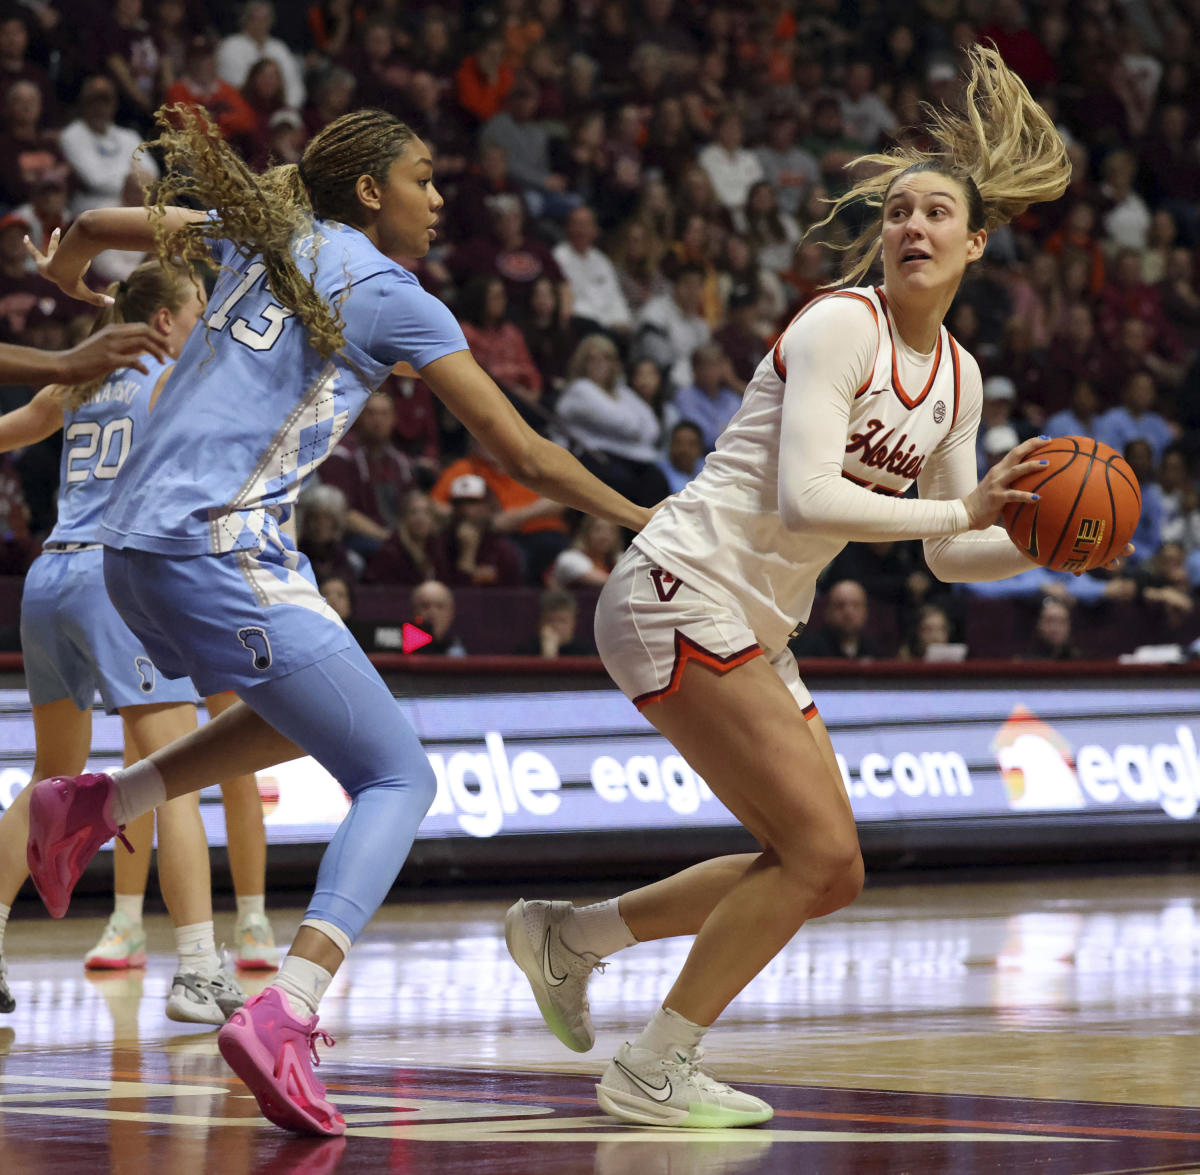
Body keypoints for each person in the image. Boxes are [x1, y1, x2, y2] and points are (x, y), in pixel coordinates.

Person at [504, 47, 1117, 1130]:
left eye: (937, 214)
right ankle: (655, 1061)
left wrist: (1038, 543)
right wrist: (960, 513)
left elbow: (946, 555)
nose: (912, 228)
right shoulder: (844, 322)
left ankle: (571, 936)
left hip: (745, 617)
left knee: (823, 867)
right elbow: (805, 500)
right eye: (898, 213)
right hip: (678, 584)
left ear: (977, 243)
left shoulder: (961, 376)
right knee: (824, 851)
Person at [21, 104, 649, 1137]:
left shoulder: (257, 230)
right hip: (210, 547)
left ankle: (95, 803)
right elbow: (524, 454)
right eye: (424, 177)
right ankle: (290, 1007)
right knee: (400, 773)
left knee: (308, 710)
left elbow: (90, 227)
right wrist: (642, 511)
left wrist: (71, 285)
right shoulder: (397, 297)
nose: (441, 198)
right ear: (371, 190)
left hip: (128, 547)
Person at [0, 262, 247, 1022]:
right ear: (165, 321)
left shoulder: (75, 384)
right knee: (170, 771)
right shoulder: (176, 377)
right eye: (199, 303)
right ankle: (201, 966)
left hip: (48, 579)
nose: (209, 316)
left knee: (48, 775)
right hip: (115, 575)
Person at [791, 578, 882, 659]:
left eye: (856, 605)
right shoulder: (807, 649)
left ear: (865, 612)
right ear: (827, 612)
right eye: (840, 605)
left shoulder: (874, 651)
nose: (848, 613)